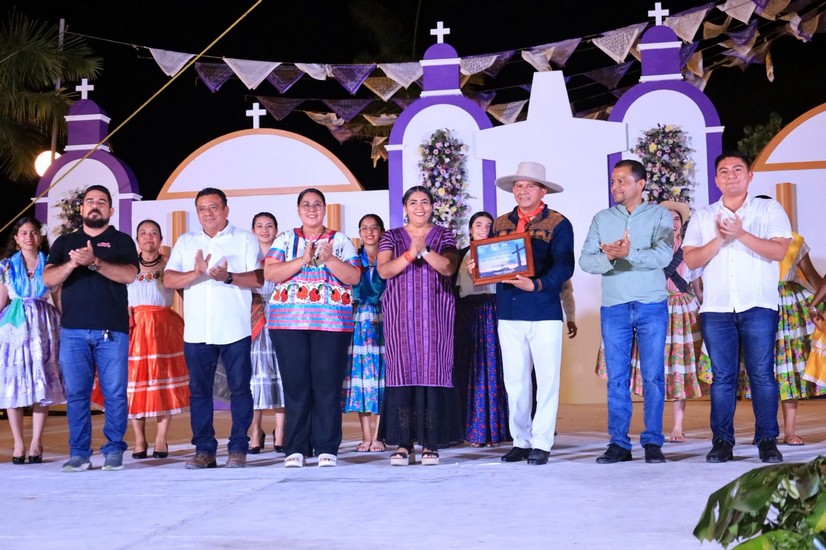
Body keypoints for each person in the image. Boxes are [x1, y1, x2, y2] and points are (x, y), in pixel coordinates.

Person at [683, 151, 792, 464]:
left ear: (749, 176)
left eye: (737, 170)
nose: (731, 176)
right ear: (716, 179)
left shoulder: (768, 208)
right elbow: (691, 259)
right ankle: (722, 442)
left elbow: (778, 251)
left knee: (762, 375)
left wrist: (740, 233)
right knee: (722, 378)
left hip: (758, 305)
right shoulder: (704, 216)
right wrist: (719, 237)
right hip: (716, 308)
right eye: (724, 171)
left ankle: (767, 440)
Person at [580, 159, 673, 464]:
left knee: (653, 377)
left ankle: (653, 442)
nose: (615, 187)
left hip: (651, 305)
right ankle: (619, 443)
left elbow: (664, 256)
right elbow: (586, 261)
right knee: (617, 379)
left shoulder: (659, 215)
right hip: (614, 307)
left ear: (640, 184)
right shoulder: (602, 218)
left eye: (622, 181)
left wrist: (629, 253)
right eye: (613, 181)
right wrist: (610, 258)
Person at [483, 162, 575, 466]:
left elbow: (564, 266)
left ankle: (542, 442)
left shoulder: (559, 223)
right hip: (508, 310)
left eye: (530, 186)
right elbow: (492, 260)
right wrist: (479, 267)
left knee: (547, 380)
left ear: (542, 191)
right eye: (519, 186)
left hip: (544, 310)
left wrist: (536, 284)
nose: (523, 191)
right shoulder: (500, 223)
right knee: (515, 380)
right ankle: (520, 440)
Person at [164, 187, 263, 469]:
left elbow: (258, 278)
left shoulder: (244, 239)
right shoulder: (186, 241)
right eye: (202, 208)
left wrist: (228, 277)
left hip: (235, 329)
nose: (208, 213)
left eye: (214, 207)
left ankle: (238, 448)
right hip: (197, 331)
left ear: (226, 210)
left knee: (240, 390)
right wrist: (196, 273)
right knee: (199, 392)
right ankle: (204, 450)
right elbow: (169, 280)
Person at [44, 185, 140, 472]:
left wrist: (95, 262)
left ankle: (114, 450)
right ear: (82, 208)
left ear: (111, 210)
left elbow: (129, 275)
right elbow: (49, 279)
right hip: (73, 331)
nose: (95, 205)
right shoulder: (65, 242)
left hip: (112, 330)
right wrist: (73, 263)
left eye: (101, 201)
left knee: (114, 393)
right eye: (90, 201)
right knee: (76, 394)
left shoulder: (121, 241)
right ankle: (79, 453)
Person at [593, 200, 706, 443]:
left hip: (681, 310)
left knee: (679, 366)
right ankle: (634, 429)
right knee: (650, 367)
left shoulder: (689, 249)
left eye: (677, 219)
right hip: (652, 306)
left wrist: (703, 310)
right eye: (668, 218)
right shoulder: (648, 246)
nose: (673, 223)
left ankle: (677, 426)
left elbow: (697, 286)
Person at [265, 188, 361, 468]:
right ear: (298, 210)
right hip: (288, 323)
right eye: (306, 204)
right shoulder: (285, 239)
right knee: (296, 386)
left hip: (331, 323)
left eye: (317, 204)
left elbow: (354, 277)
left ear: (324, 209)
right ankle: (296, 447)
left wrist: (330, 259)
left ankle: (327, 446)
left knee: (327, 386)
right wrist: (302, 260)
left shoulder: (339, 240)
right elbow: (270, 272)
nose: (311, 209)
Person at [92, 219, 190, 459]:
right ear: (137, 239)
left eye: (154, 233)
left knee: (162, 382)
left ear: (161, 239)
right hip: (132, 327)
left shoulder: (170, 265)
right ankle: (139, 439)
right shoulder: (127, 265)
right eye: (143, 233)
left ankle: (161, 439)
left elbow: (185, 294)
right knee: (133, 383)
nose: (149, 237)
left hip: (164, 328)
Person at [377, 186, 460, 466]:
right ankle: (404, 443)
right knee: (403, 374)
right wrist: (410, 254)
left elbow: (448, 267)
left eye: (425, 202)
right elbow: (384, 270)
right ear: (405, 207)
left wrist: (424, 249)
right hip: (401, 318)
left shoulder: (443, 235)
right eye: (413, 203)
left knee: (432, 374)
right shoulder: (391, 236)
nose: (419, 207)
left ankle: (430, 443)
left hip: (435, 318)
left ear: (432, 206)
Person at [739, 217, 824, 445]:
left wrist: (821, 299)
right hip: (758, 300)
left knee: (788, 368)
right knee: (761, 367)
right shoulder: (748, 238)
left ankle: (790, 431)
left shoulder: (794, 241)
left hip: (788, 308)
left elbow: (812, 276)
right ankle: (764, 430)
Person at [0, 217, 64, 464]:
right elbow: (2, 300)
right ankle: (18, 443)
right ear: (16, 239)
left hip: (44, 327)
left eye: (33, 232)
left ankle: (36, 442)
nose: (29, 237)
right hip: (14, 328)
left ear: (40, 236)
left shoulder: (51, 265)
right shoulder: (6, 266)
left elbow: (58, 299)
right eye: (24, 233)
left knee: (41, 382)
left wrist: (67, 323)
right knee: (14, 384)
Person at [455, 211, 510, 447]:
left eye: (488, 225)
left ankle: (499, 430)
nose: (483, 229)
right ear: (470, 229)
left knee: (497, 369)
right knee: (473, 370)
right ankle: (474, 430)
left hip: (495, 312)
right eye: (478, 225)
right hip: (469, 315)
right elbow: (454, 289)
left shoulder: (501, 252)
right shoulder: (461, 255)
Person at [342, 214, 388, 453]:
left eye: (374, 228)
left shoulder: (388, 257)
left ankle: (379, 435)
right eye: (364, 228)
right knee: (361, 376)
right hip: (358, 319)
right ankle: (365, 436)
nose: (369, 232)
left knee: (382, 375)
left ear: (382, 231)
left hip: (385, 318)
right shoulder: (353, 259)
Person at [248, 212, 285, 454]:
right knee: (255, 375)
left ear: (276, 229)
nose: (264, 230)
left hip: (280, 314)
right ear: (253, 230)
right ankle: (255, 432)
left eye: (269, 226)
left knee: (282, 372)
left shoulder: (283, 254)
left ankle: (280, 432)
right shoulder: (247, 255)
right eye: (259, 226)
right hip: (254, 317)